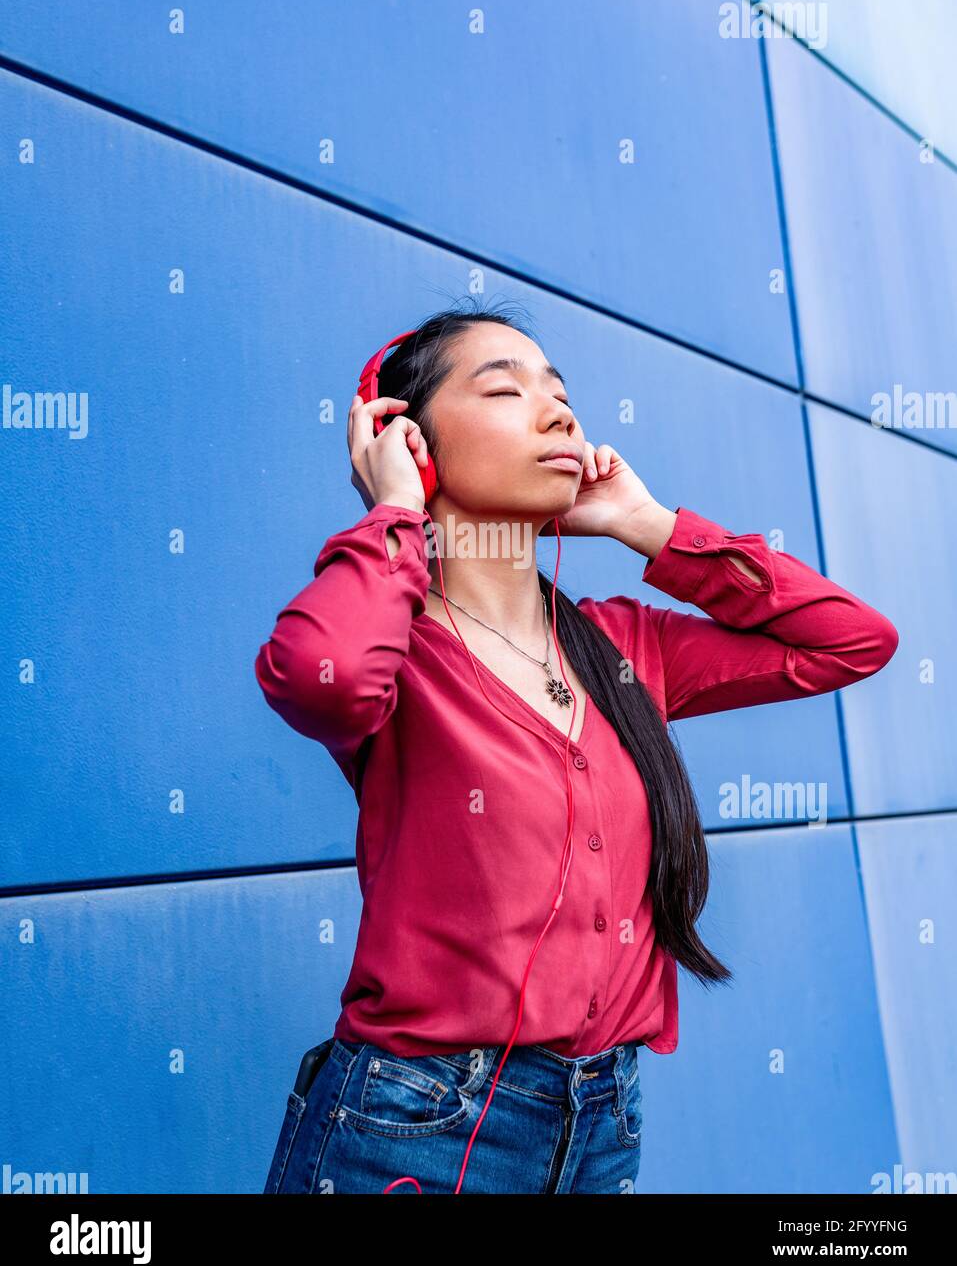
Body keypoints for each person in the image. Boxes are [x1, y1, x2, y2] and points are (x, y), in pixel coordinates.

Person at [254, 299, 899, 1194]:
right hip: (413, 1125)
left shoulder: (628, 648)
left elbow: (850, 640)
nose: (558, 412)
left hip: (603, 1120)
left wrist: (650, 527)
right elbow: (320, 676)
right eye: (505, 388)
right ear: (413, 442)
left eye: (560, 391)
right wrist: (394, 509)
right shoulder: (397, 648)